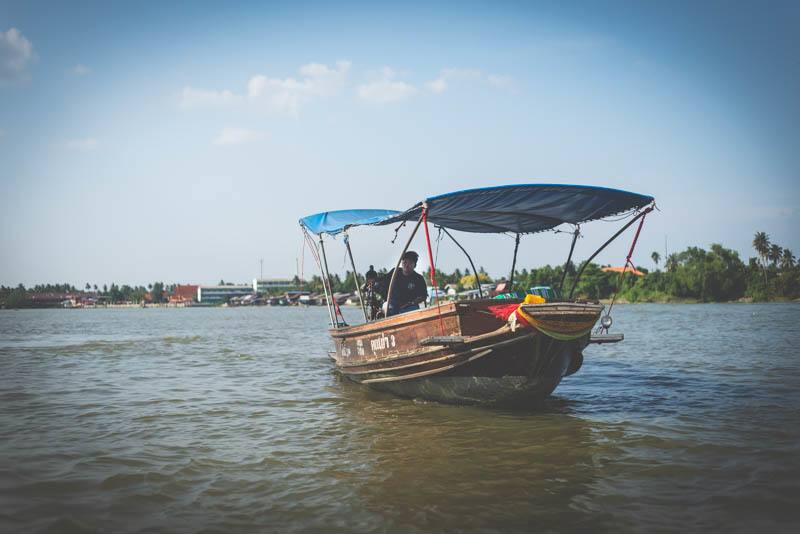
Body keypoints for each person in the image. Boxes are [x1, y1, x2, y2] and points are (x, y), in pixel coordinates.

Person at [376, 251, 428, 316]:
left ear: (414, 265)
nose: (406, 265)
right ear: (401, 263)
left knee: (414, 311)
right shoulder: (394, 272)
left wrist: (411, 303)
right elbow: (383, 281)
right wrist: (376, 279)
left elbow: (423, 296)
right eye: (405, 262)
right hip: (393, 304)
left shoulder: (418, 278)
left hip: (409, 306)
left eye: (410, 263)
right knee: (386, 307)